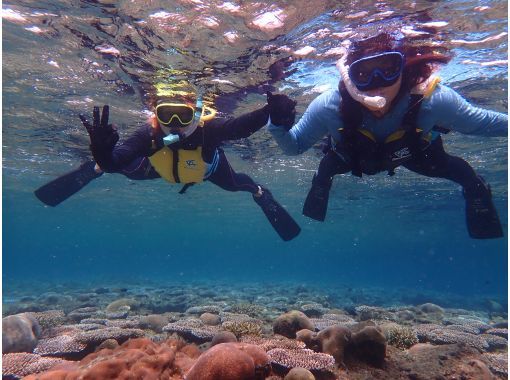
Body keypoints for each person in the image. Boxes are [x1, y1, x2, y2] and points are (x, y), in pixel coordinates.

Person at [268, 27, 507, 239]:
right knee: (327, 168)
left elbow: (482, 123)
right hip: (350, 157)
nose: (377, 83)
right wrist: (278, 124)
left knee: (465, 174)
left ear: (403, 68)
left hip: (413, 154)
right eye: (364, 74)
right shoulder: (329, 106)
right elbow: (294, 147)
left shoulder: (432, 100)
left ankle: (478, 201)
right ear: (350, 77)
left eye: (387, 69)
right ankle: (321, 183)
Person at [78, 90, 301, 241]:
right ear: (156, 116)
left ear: (195, 115)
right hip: (160, 168)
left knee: (235, 184)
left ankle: (260, 193)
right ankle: (97, 167)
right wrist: (103, 155)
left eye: (182, 116)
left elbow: (238, 128)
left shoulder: (208, 129)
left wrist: (267, 112)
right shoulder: (148, 134)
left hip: (207, 169)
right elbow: (119, 160)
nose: (174, 124)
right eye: (167, 115)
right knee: (125, 168)